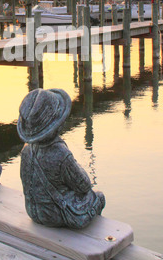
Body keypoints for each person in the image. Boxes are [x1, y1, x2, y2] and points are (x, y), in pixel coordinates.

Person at [17, 88, 105, 229]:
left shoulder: (27, 150)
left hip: (33, 211)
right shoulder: (60, 154)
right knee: (98, 197)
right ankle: (93, 239)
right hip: (56, 215)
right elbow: (84, 185)